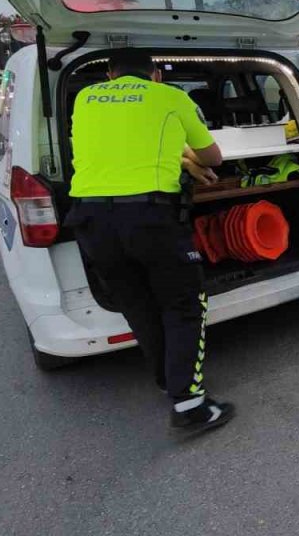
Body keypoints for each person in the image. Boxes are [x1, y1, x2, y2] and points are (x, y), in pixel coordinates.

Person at [64, 50, 234, 434]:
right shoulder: (170, 96)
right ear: (155, 74)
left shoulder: (85, 98)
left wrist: (182, 160)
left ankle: (167, 380)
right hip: (149, 218)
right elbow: (214, 157)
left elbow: (119, 146)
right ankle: (190, 405)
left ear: (110, 75)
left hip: (91, 221)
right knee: (184, 304)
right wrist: (191, 158)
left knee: (138, 305)